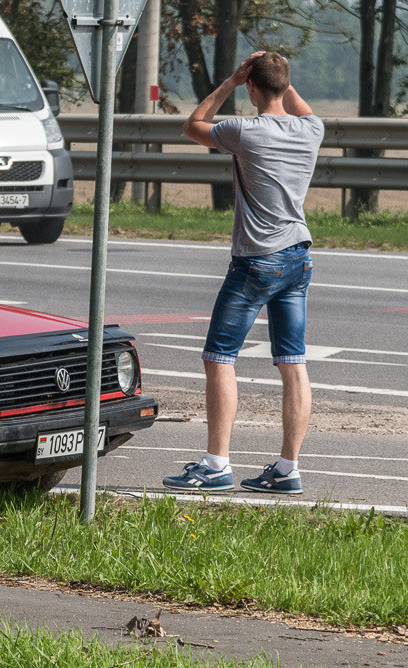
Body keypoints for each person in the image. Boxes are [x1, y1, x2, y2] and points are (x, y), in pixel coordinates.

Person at [163, 51, 323, 495]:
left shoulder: (244, 131)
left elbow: (193, 125)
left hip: (256, 261)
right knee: (293, 362)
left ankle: (216, 464)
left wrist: (230, 82)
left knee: (219, 357)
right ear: (286, 85)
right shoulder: (312, 130)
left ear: (252, 85)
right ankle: (287, 468)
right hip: (298, 256)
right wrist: (278, 77)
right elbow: (295, 102)